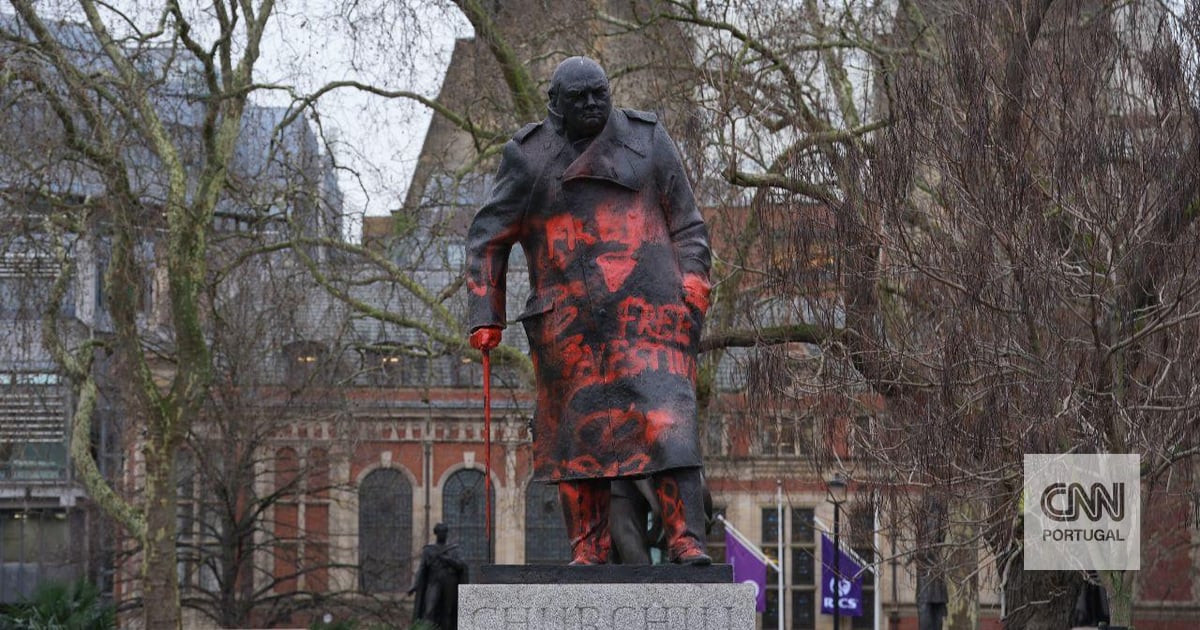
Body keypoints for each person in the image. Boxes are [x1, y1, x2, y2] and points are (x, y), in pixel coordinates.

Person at [466, 56, 713, 565]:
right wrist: (485, 313)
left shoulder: (648, 141)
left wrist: (693, 287)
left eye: (599, 92)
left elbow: (688, 223)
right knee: (579, 439)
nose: (592, 104)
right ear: (554, 104)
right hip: (570, 327)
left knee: (670, 426)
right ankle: (589, 547)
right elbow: (487, 237)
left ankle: (687, 540)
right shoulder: (529, 158)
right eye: (579, 97)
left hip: (651, 318)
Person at [408, 523, 467, 630]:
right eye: (440, 532)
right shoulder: (429, 550)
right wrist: (414, 585)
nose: (442, 535)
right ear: (436, 534)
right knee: (429, 609)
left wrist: (447, 559)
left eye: (444, 532)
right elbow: (422, 569)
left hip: (450, 581)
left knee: (448, 611)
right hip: (434, 581)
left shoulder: (453, 550)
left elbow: (461, 565)